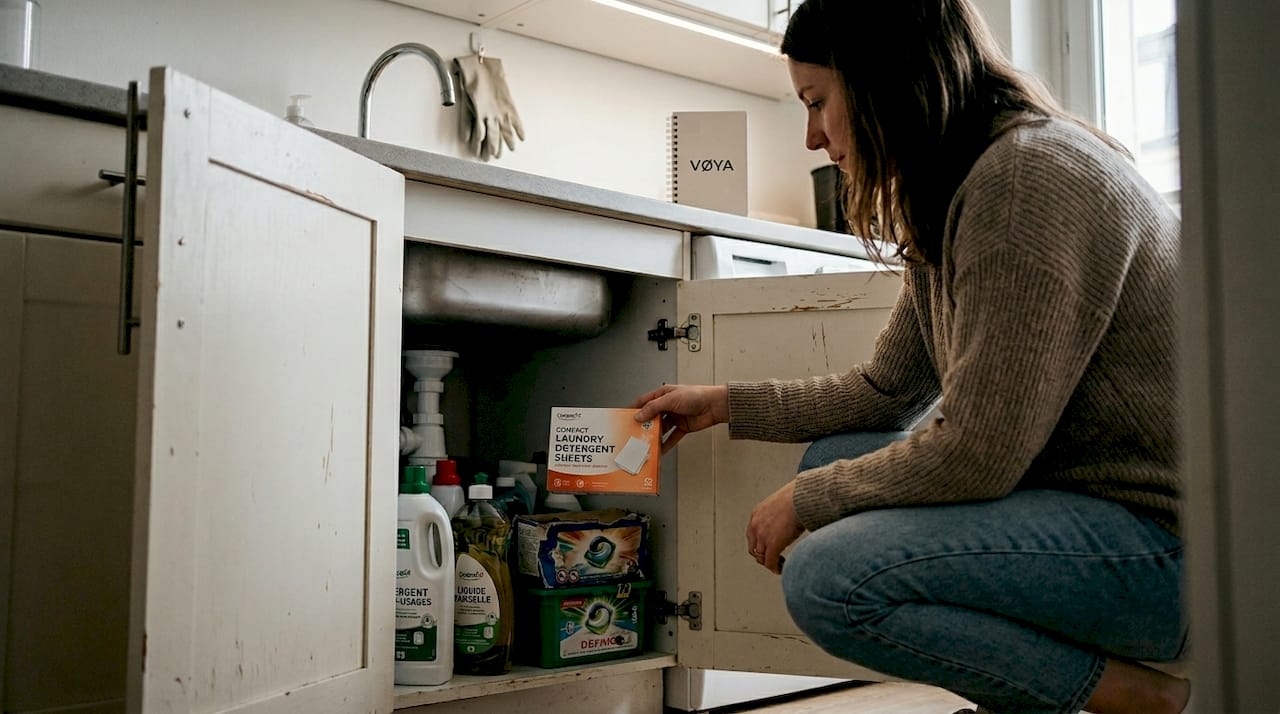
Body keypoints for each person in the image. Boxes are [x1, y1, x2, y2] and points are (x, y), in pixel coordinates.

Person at [631, 1, 1188, 712]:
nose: (810, 136)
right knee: (832, 456)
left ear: (883, 82)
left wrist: (805, 502)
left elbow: (979, 453)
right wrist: (724, 404)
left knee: (827, 579)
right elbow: (887, 390)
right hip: (1098, 515)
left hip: (1168, 555)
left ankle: (1143, 699)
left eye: (818, 102)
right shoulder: (961, 181)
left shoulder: (1022, 182)